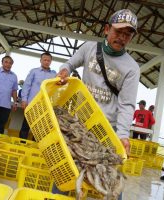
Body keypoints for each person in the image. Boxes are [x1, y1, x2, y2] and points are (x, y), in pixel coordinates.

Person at [56, 9, 139, 199]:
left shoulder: (132, 68)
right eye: (118, 32)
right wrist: (63, 71)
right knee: (66, 167)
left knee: (109, 176)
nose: (122, 37)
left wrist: (123, 135)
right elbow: (69, 64)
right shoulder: (89, 48)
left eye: (127, 34)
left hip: (106, 129)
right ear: (106, 29)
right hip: (79, 122)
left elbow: (127, 105)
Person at [19, 52, 56, 139]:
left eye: (48, 60)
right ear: (41, 60)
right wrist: (24, 100)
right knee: (26, 125)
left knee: (39, 128)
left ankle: (34, 146)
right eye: (45, 60)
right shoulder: (34, 71)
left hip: (44, 106)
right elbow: (26, 86)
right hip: (31, 104)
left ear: (51, 62)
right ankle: (22, 143)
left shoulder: (54, 74)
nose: (46, 62)